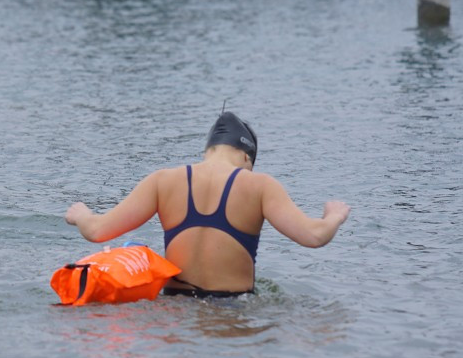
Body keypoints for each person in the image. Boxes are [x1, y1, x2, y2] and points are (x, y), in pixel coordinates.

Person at [64, 111, 351, 297]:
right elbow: (315, 236)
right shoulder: (260, 185)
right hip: (234, 311)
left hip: (175, 311)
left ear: (209, 150)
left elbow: (97, 231)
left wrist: (80, 214)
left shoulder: (162, 181)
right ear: (246, 158)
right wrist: (334, 216)